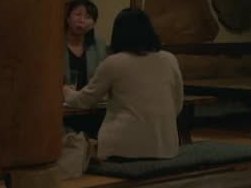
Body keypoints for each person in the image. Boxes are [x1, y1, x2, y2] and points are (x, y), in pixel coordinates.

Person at [63, 8, 184, 160]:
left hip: (122, 148)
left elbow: (84, 100)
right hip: (166, 147)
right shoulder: (169, 59)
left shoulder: (114, 62)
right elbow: (177, 103)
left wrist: (65, 91)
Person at [64, 0, 106, 90]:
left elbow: (102, 79)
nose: (81, 20)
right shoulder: (54, 42)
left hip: (89, 97)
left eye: (88, 17)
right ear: (68, 18)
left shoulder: (99, 44)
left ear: (93, 24)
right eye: (78, 14)